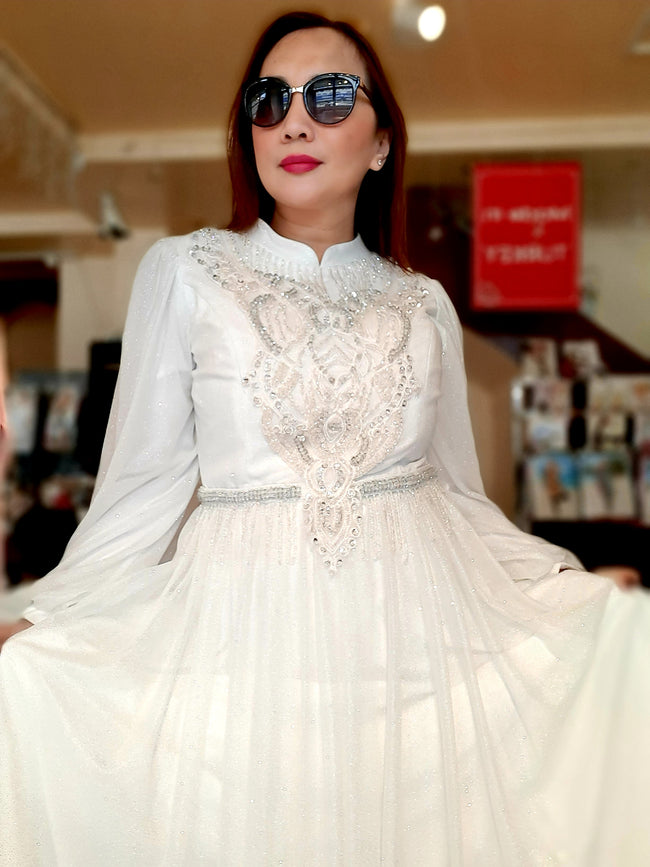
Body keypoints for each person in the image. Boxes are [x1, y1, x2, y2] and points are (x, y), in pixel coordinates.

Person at [1, 11, 649, 866]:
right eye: (269, 100)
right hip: (241, 645)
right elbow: (140, 488)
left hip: (409, 649)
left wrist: (562, 584)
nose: (295, 121)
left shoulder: (425, 304)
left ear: (381, 143)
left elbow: (457, 495)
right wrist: (44, 618)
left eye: (331, 96)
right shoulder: (187, 272)